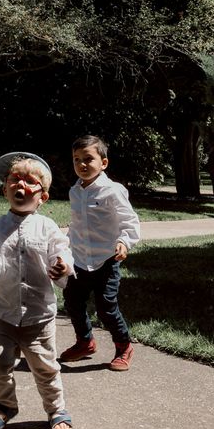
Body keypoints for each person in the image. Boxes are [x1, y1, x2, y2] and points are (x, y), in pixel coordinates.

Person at [0, 152, 74, 429]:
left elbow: (61, 251)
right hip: (3, 314)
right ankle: (5, 405)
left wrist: (63, 266)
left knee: (45, 368)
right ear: (5, 190)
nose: (21, 185)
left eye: (30, 181)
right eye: (15, 179)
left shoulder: (47, 226)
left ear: (43, 197)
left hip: (39, 317)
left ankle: (56, 409)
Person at [60, 135, 141, 371]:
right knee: (73, 302)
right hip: (80, 260)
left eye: (88, 159)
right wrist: (65, 249)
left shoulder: (113, 191)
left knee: (106, 307)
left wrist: (124, 242)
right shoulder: (75, 191)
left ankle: (124, 347)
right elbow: (75, 226)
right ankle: (85, 342)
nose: (82, 164)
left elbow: (130, 221)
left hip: (106, 260)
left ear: (103, 163)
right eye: (76, 160)